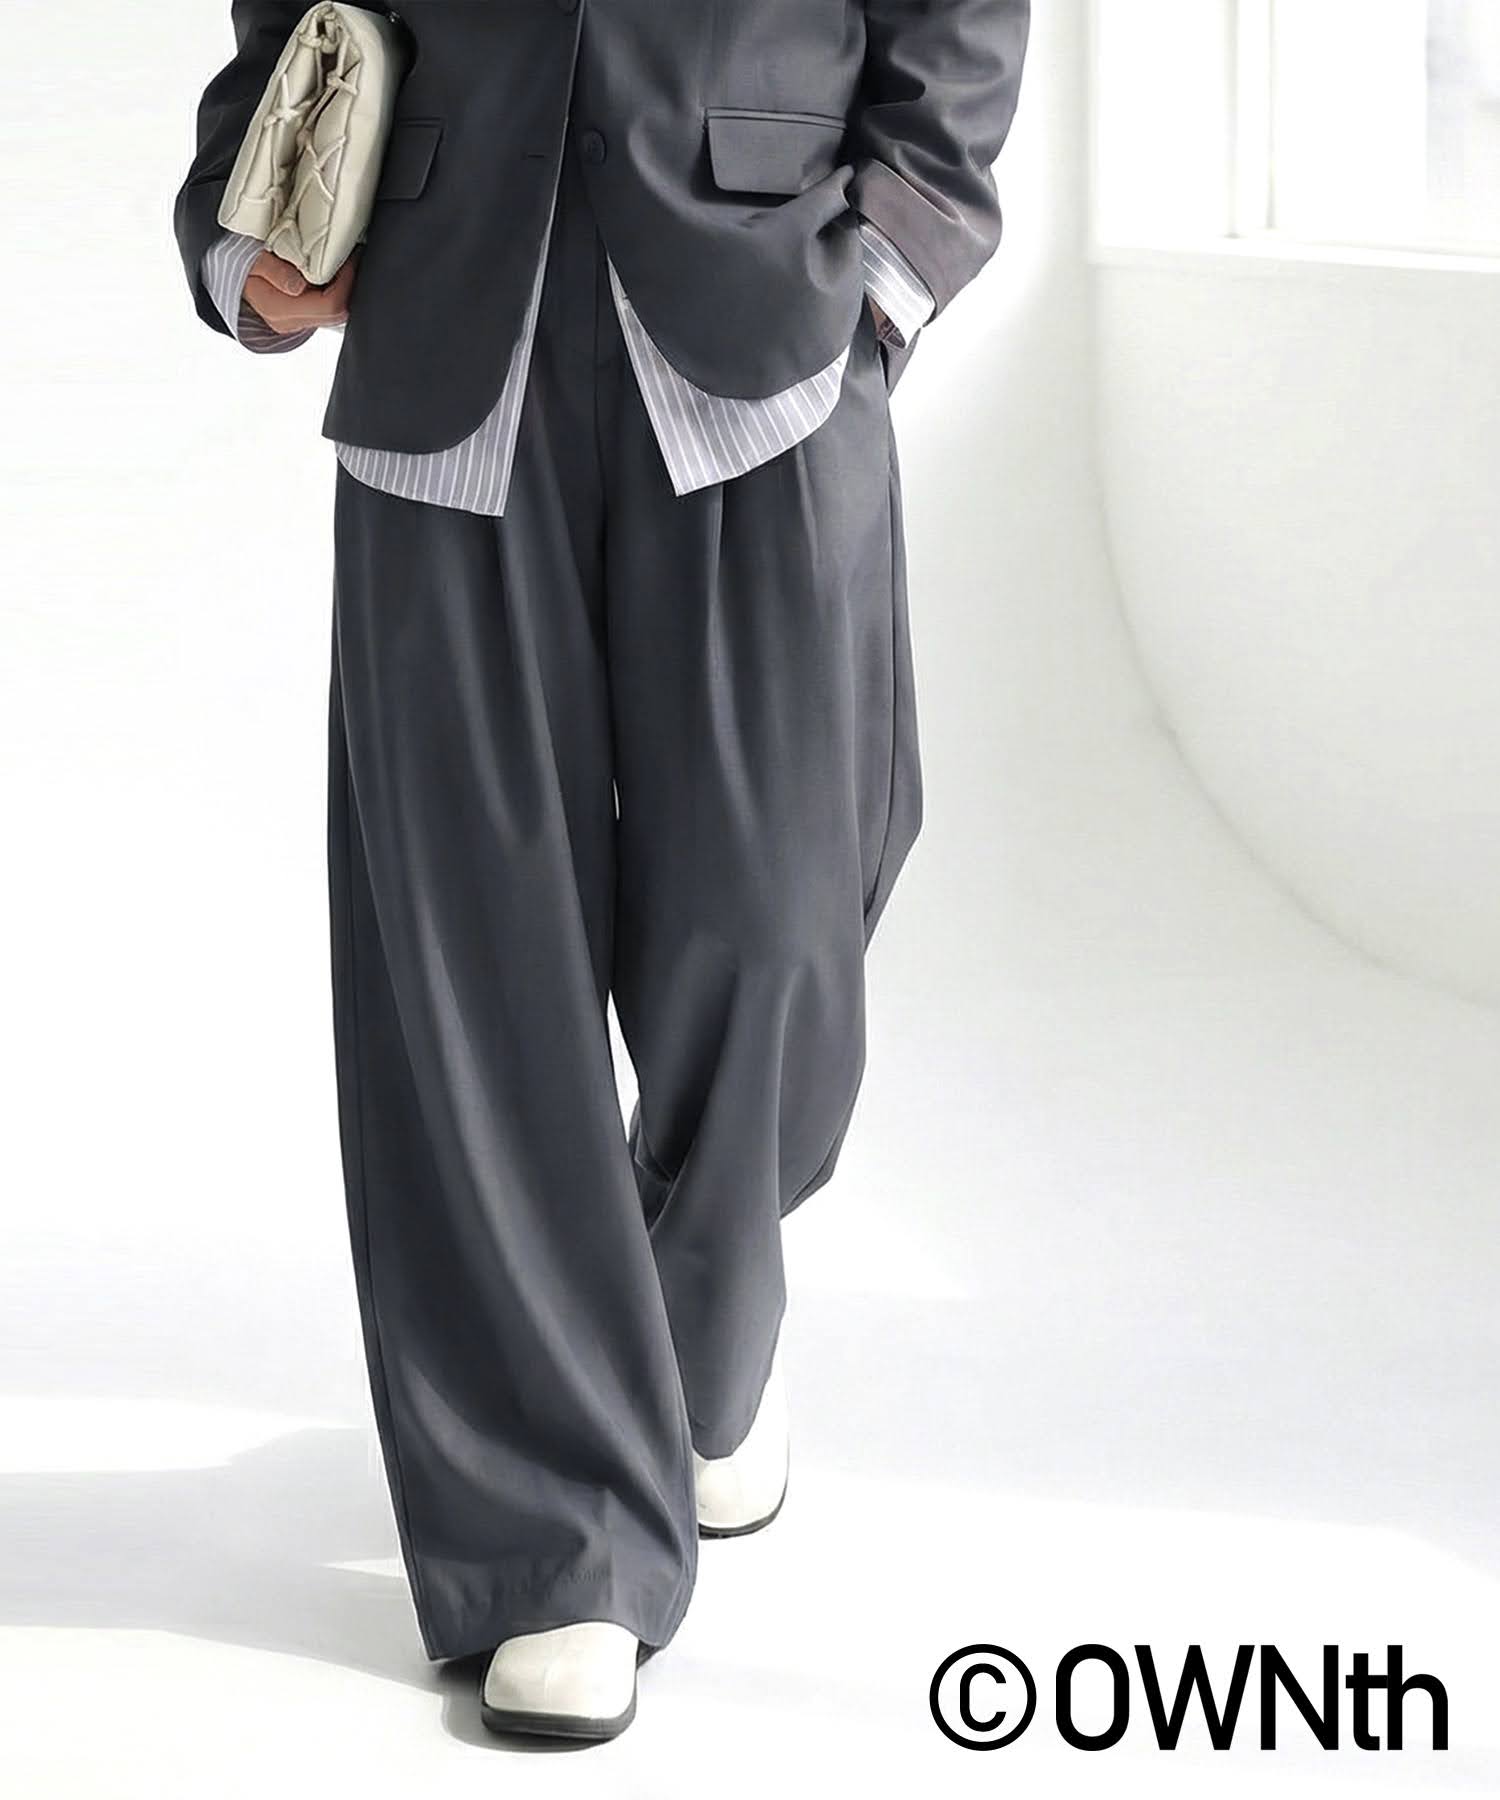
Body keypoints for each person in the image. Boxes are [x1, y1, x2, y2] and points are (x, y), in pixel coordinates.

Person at [175, 0, 1030, 1742]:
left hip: (769, 311)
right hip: (445, 316)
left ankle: (695, 1316)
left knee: (783, 913)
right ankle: (553, 1542)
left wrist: (886, 263)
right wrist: (234, 227)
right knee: (467, 962)